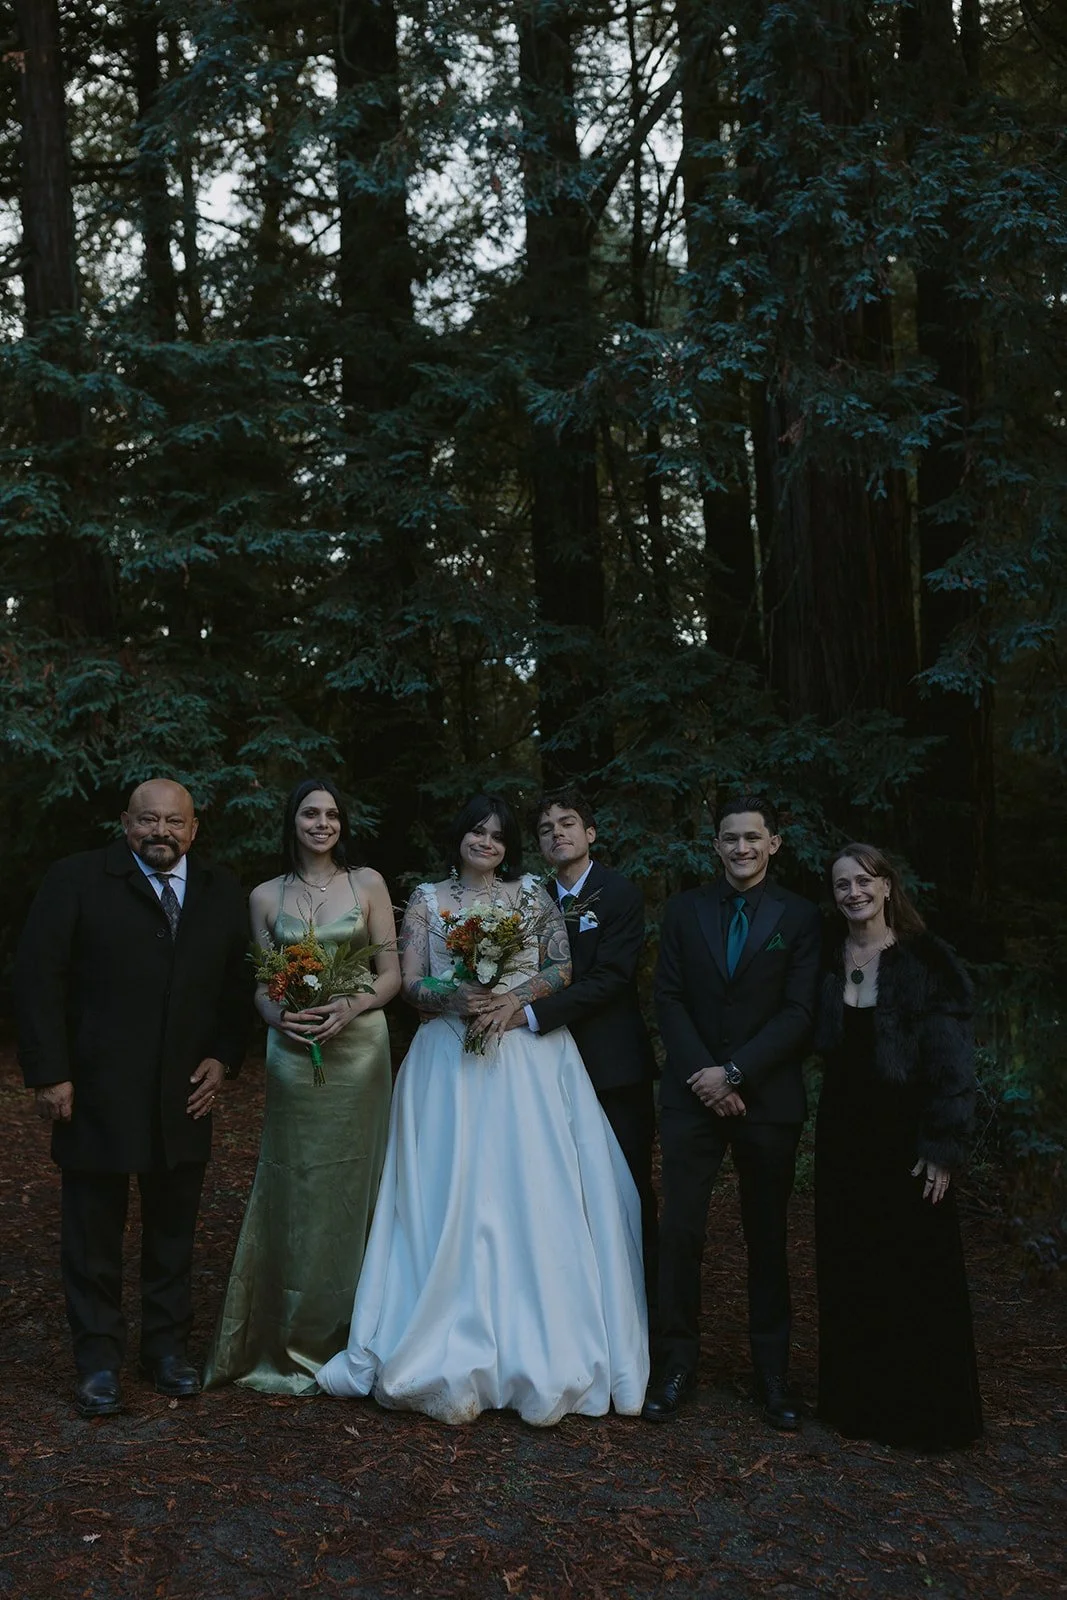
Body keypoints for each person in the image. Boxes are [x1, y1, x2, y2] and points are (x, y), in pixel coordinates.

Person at [317, 793, 648, 1425]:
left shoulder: (533, 896)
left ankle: (537, 1341)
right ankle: (441, 1327)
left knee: (529, 1191)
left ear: (508, 847)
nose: (486, 843)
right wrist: (455, 993)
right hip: (447, 1061)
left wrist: (511, 1000)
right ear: (459, 837)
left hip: (525, 1057)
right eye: (476, 831)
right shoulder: (424, 901)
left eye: (497, 836)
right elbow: (410, 980)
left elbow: (560, 967)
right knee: (449, 1192)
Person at [16, 778, 253, 1418]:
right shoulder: (77, 880)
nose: (162, 833)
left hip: (184, 1094)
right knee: (93, 1235)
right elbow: (38, 977)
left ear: (194, 828)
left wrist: (225, 1056)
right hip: (95, 1089)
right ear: (126, 824)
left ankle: (167, 1350)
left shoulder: (219, 890)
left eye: (175, 822)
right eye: (149, 821)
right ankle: (97, 1361)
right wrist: (49, 1073)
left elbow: (240, 984)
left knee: (173, 1232)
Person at [204, 780, 400, 1395]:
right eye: (311, 814)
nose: (322, 823)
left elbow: (392, 973)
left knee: (356, 1178)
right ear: (292, 822)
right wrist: (275, 1016)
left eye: (333, 814)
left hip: (359, 1047)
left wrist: (349, 1008)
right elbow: (263, 984)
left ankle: (358, 1332)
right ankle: (283, 1335)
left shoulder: (368, 883)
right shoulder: (265, 896)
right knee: (294, 1178)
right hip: (291, 1052)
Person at [645, 794, 821, 1429]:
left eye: (753, 837)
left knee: (768, 1236)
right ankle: (675, 1363)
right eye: (729, 838)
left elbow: (800, 1012)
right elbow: (667, 996)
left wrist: (738, 1073)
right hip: (693, 1097)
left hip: (767, 1099)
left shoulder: (799, 917)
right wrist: (707, 1079)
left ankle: (772, 1373)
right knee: (681, 1232)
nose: (741, 848)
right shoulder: (685, 910)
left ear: (773, 843)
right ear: (714, 846)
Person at [814, 843, 983, 1449]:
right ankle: (859, 1402)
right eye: (842, 885)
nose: (853, 892)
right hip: (843, 1137)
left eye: (865, 880)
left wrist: (943, 1145)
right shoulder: (828, 960)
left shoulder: (925, 960)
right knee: (852, 1260)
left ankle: (922, 1412)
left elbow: (953, 1066)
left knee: (913, 1265)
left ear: (887, 886)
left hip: (906, 1138)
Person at [515, 788, 658, 1302]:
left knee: (625, 1190)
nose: (557, 833)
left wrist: (529, 1013)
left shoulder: (620, 894)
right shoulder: (528, 902)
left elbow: (612, 979)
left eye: (567, 822)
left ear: (590, 833)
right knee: (561, 1194)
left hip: (611, 1067)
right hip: (542, 1067)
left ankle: (643, 1316)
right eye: (546, 828)